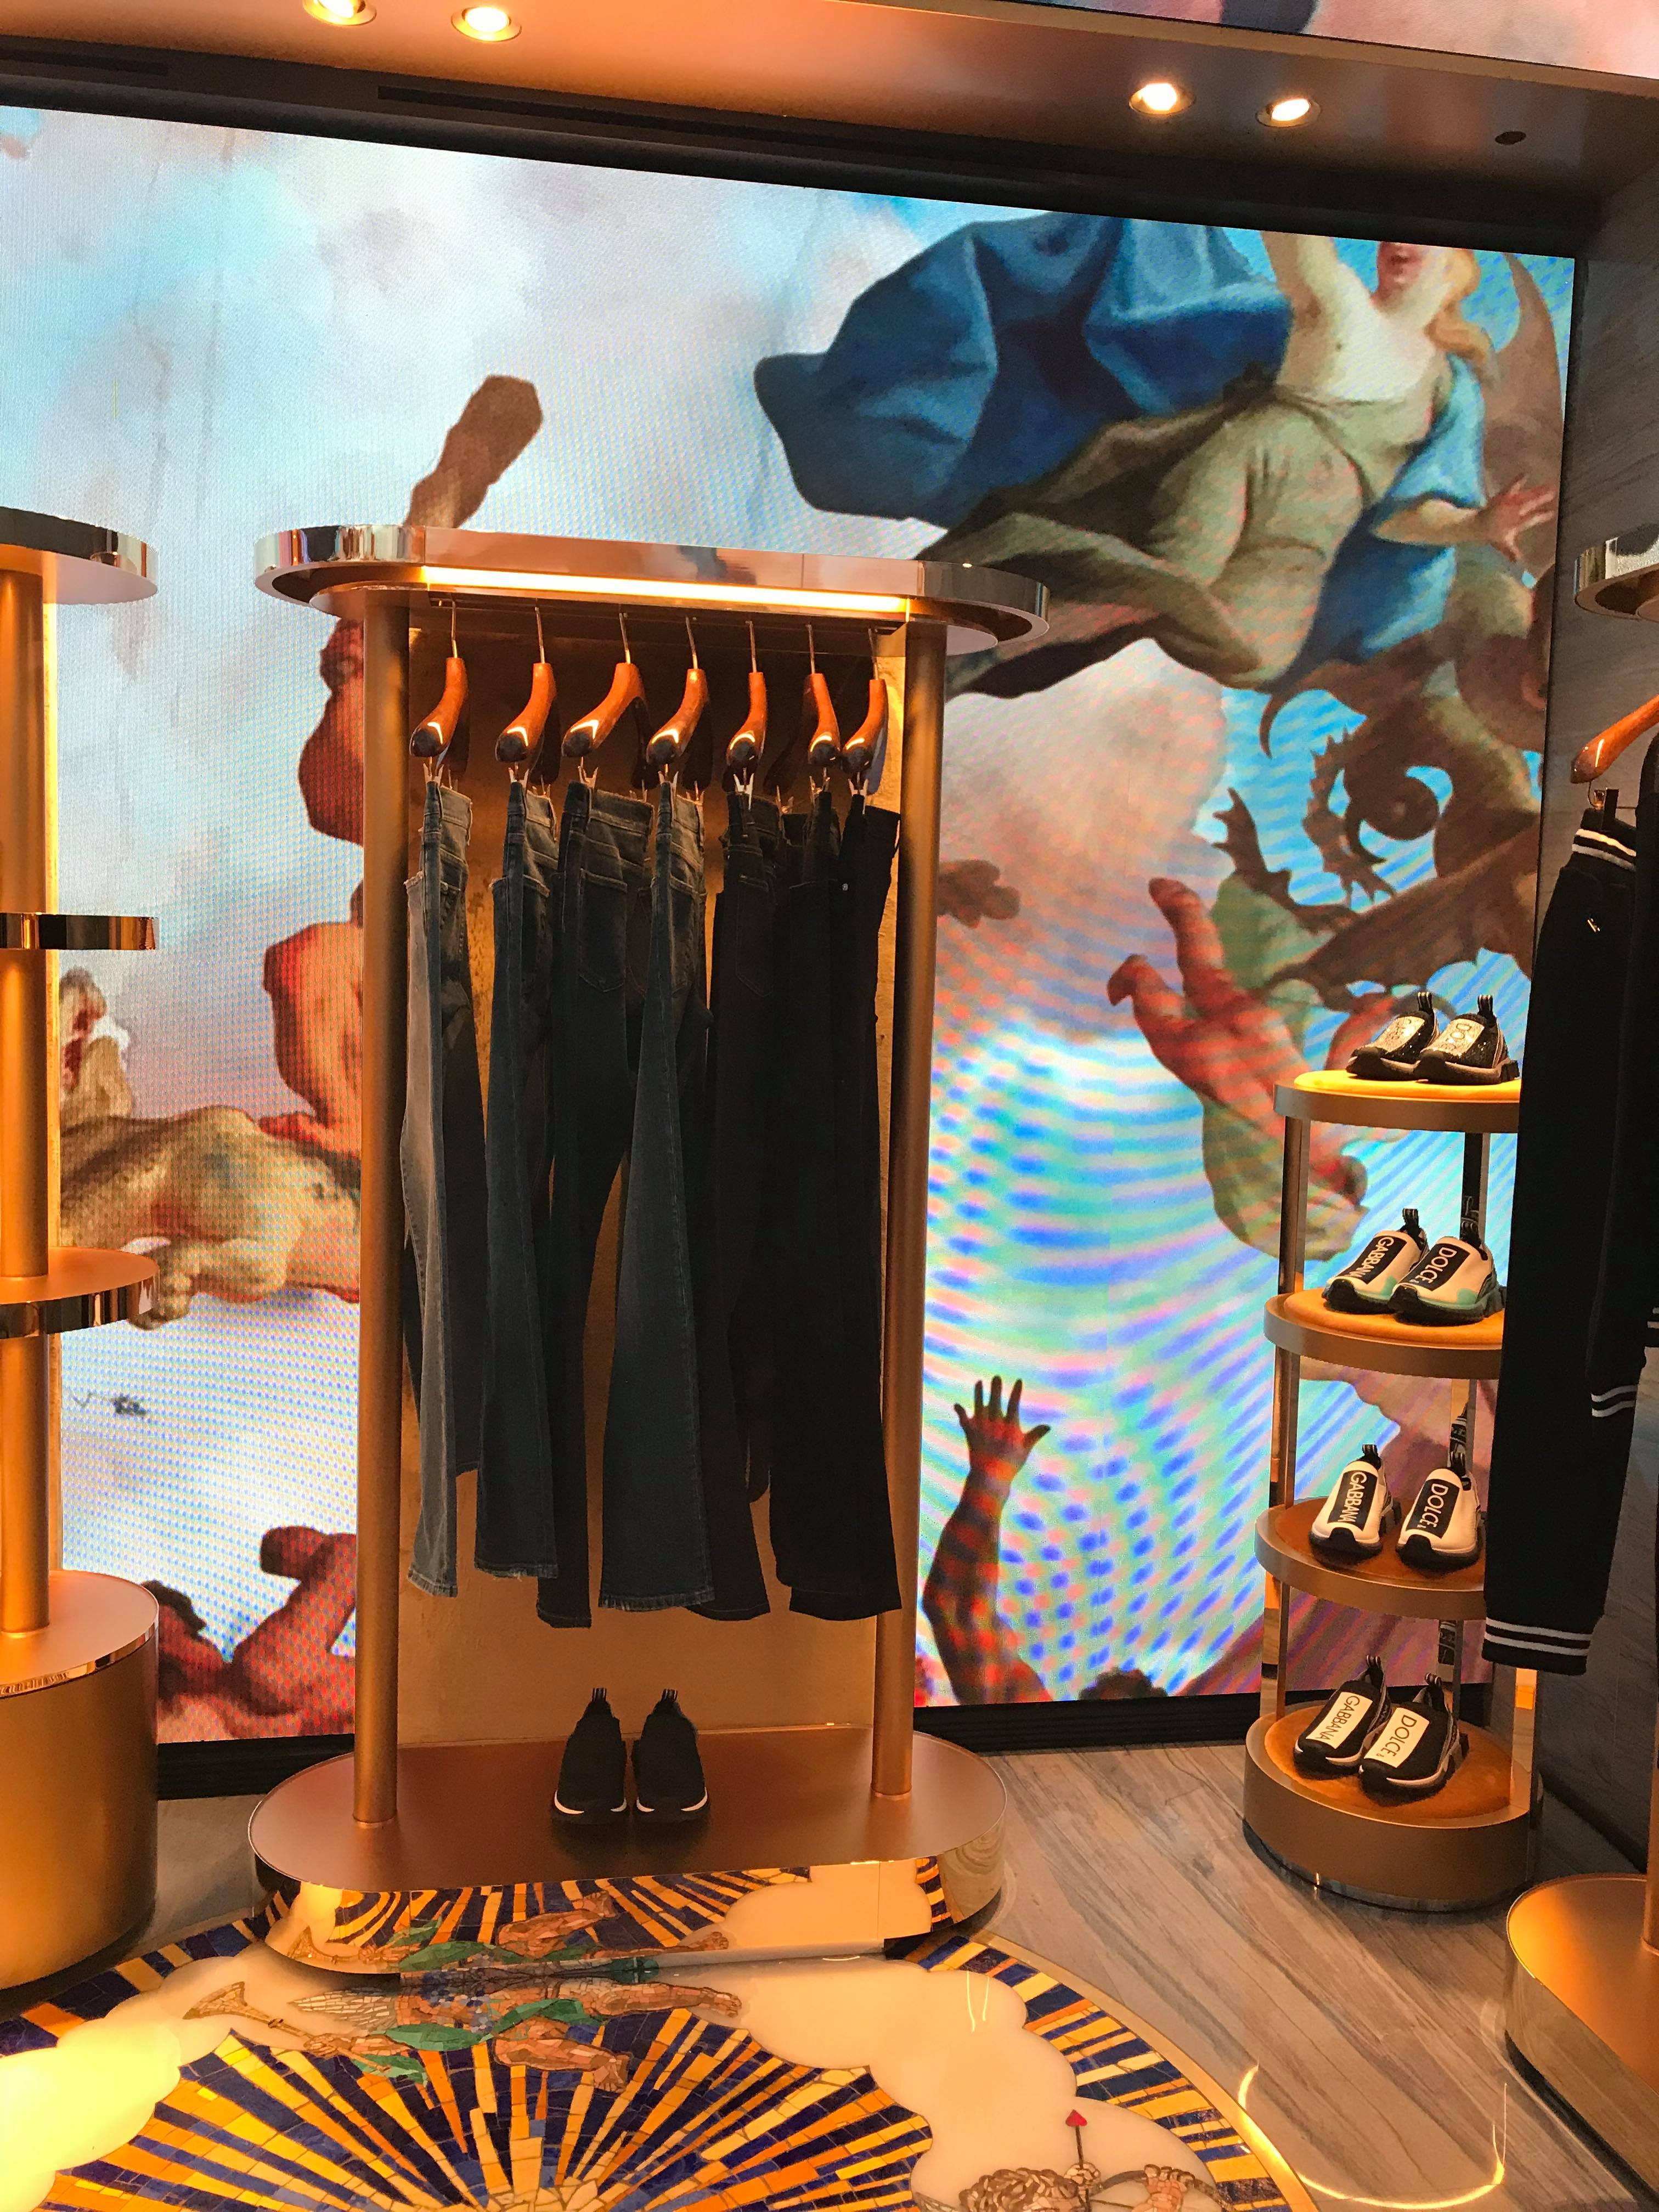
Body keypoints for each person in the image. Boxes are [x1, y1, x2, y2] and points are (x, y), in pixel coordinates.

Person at [929, 237, 1554, 693]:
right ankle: (980, 651)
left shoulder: (1448, 388)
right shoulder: (1338, 300)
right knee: (1171, 582)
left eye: (1422, 236)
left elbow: (1404, 514)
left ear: (1458, 269)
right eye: (1390, 232)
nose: (1397, 242)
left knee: (1256, 651)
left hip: (1310, 533)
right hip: (1250, 465)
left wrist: (1478, 525)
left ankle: (993, 639)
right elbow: (1296, 247)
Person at [147, 1526, 355, 1740]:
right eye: (161, 1663)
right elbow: (349, 1557)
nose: (175, 1655)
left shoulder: (264, 1665)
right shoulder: (183, 1723)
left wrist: (281, 1549)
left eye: (186, 1636)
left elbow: (349, 1557)